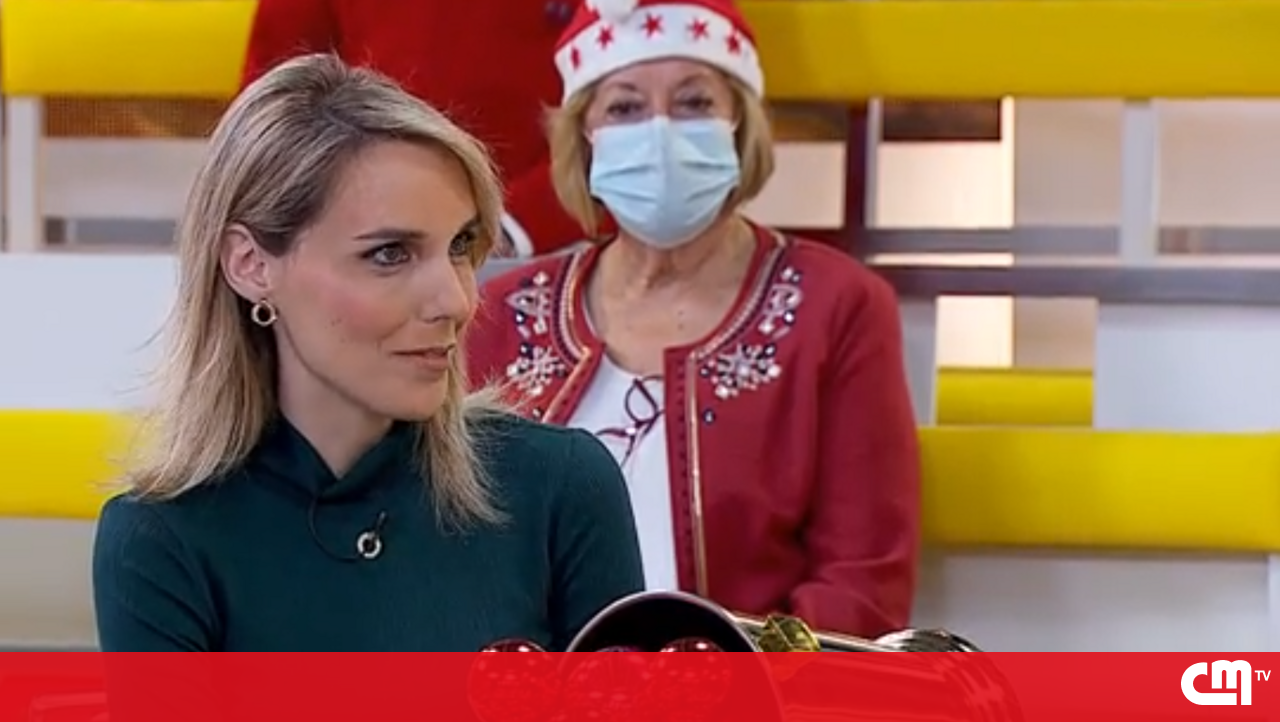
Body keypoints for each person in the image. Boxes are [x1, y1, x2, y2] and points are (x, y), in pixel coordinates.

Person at [91, 53, 644, 653]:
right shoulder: (160, 540)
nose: (457, 300)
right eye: (389, 254)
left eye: (460, 246)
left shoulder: (561, 489)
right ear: (251, 266)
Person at [464, 0, 922, 639]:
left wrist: (730, 676)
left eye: (694, 102)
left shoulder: (839, 306)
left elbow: (861, 584)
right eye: (624, 107)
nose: (660, 134)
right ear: (583, 138)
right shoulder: (501, 310)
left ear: (741, 124)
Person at [240, 0, 591, 258]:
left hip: (542, 253)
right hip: (353, 237)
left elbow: (616, 117)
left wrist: (513, 229)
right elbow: (276, 104)